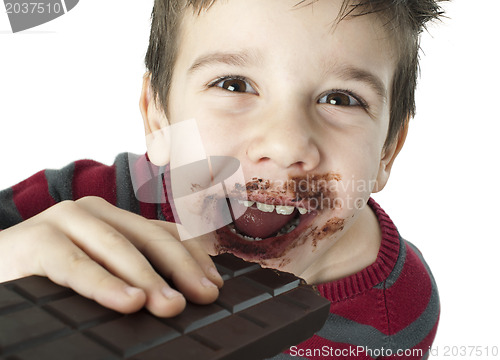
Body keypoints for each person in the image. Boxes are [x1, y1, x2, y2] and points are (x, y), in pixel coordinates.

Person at [0, 0, 444, 358]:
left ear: (388, 149)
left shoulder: (401, 315)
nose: (286, 145)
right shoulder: (76, 205)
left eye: (341, 99)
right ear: (158, 118)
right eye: (233, 84)